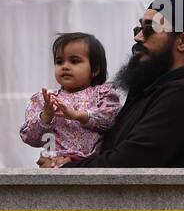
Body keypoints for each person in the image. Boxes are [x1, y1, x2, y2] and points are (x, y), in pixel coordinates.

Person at [43, 0, 184, 168]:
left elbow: (128, 164)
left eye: (149, 28)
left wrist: (62, 169)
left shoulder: (183, 95)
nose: (138, 36)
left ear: (183, 41)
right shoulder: (150, 91)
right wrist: (71, 160)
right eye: (139, 28)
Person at [19, 32, 121, 165]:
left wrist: (79, 115)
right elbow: (30, 138)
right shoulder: (46, 99)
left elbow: (111, 120)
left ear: (95, 69)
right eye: (59, 61)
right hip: (52, 165)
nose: (65, 66)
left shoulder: (102, 94)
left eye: (74, 61)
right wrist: (45, 117)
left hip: (89, 166)